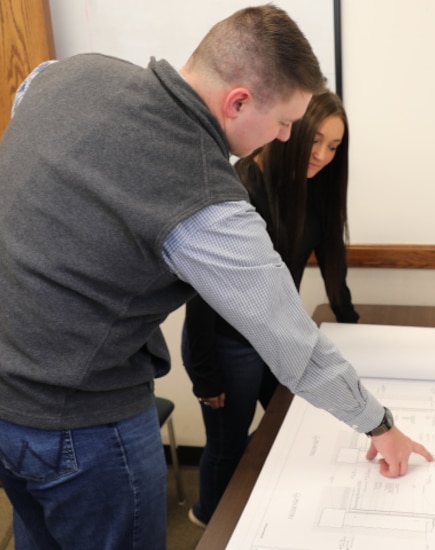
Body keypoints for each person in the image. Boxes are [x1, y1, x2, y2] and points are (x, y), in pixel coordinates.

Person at [0, 5, 433, 549]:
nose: (285, 135)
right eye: (285, 122)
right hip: (70, 422)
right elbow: (291, 341)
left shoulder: (71, 73)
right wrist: (379, 424)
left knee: (38, 534)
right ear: (238, 101)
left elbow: (26, 108)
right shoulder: (207, 200)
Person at [182, 90, 359, 527]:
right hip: (225, 343)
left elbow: (332, 261)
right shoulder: (238, 190)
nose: (322, 156)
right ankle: (210, 522)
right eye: (315, 141)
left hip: (272, 335)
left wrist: (351, 321)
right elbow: (202, 293)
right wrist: (206, 373)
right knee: (227, 444)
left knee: (292, 421)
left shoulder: (313, 187)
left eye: (334, 147)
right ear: (290, 131)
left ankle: (251, 515)